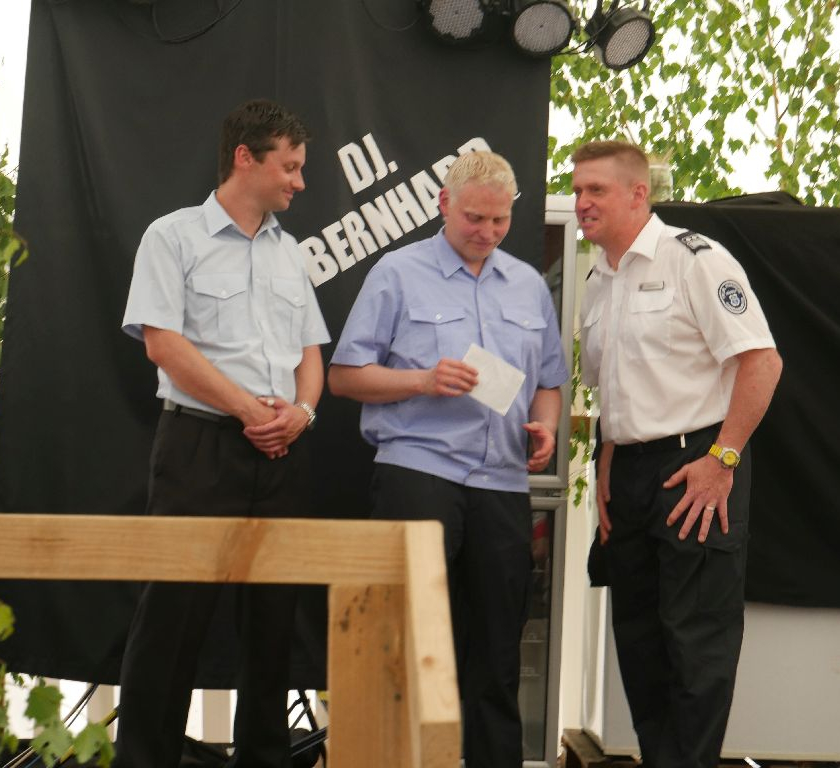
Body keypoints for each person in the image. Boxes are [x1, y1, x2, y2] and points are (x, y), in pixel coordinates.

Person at [328, 150, 568, 768]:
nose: (487, 232)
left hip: (502, 484)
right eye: (474, 218)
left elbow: (549, 382)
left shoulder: (528, 284)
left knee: (497, 653)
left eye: (499, 220)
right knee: (404, 644)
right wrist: (422, 380)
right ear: (443, 204)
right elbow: (344, 377)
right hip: (418, 472)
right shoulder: (397, 272)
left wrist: (544, 426)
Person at [115, 99, 330, 768]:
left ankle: (264, 760)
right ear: (245, 158)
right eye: (289, 167)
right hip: (197, 451)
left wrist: (302, 413)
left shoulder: (291, 253)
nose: (299, 182)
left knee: (273, 622)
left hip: (281, 453)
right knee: (170, 618)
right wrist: (248, 411)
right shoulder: (172, 236)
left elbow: (311, 353)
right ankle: (143, 761)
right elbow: (162, 344)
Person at [573, 140, 783, 768]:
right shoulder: (598, 280)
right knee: (639, 643)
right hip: (628, 474)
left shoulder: (696, 260)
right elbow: (613, 389)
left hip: (696, 464)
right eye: (578, 190)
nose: (582, 203)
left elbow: (762, 362)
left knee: (695, 644)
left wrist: (723, 460)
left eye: (596, 190)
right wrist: (607, 464)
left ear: (638, 194)